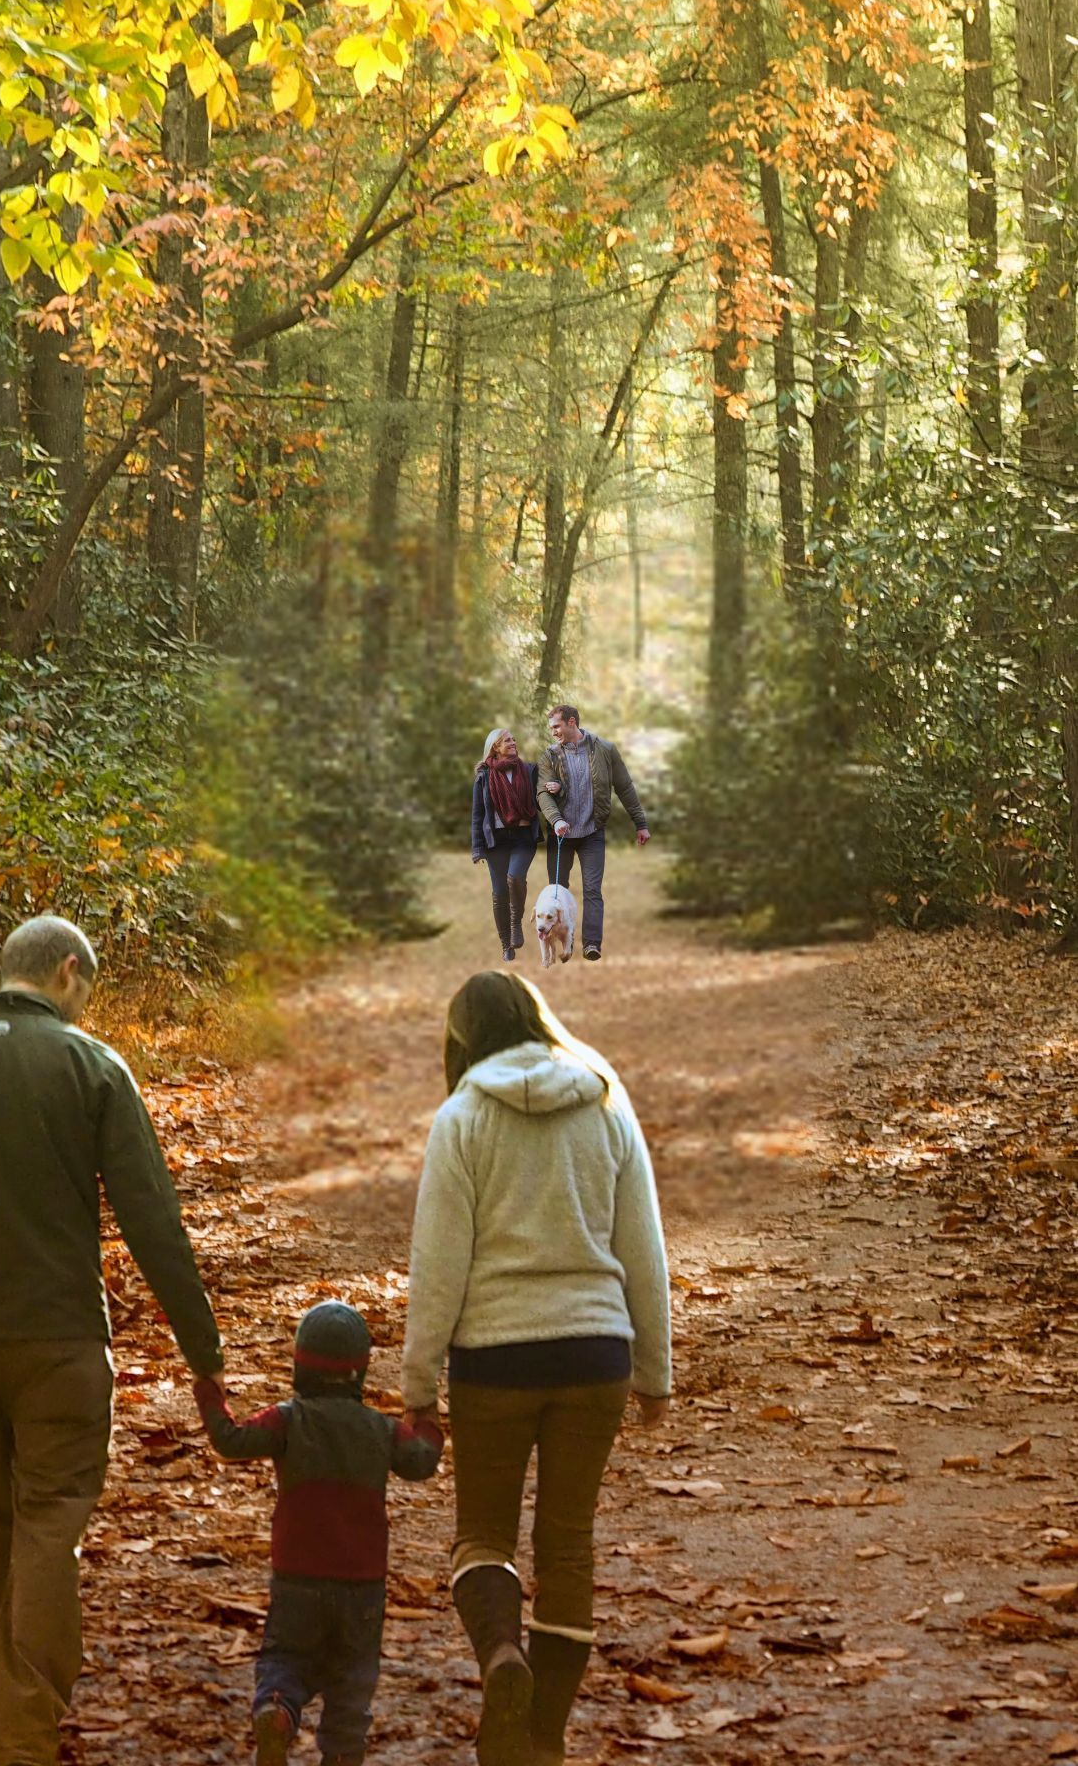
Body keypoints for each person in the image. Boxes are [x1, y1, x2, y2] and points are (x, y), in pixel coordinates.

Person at [0, 913, 225, 1766]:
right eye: (85, 994)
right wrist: (200, 1347)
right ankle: (20, 1738)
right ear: (67, 972)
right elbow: (152, 1221)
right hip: (60, 1344)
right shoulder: (92, 1066)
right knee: (48, 1531)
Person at [401, 971, 671, 1766]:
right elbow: (642, 1250)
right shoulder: (604, 1101)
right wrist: (654, 1372)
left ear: (462, 1039)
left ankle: (500, 1660)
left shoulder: (462, 1118)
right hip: (595, 1355)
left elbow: (437, 1263)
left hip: (493, 1360)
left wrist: (417, 1385)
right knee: (568, 1547)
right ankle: (542, 1736)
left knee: (482, 1534)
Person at [194, 1300, 443, 1766]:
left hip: (297, 1578)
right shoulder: (381, 1430)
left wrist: (210, 1393)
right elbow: (423, 1459)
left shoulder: (286, 1420)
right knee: (353, 1678)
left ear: (300, 1364)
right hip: (363, 1585)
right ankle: (344, 1753)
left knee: (285, 1656)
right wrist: (427, 1418)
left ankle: (277, 1710)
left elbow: (230, 1439)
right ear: (361, 1371)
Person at [534, 704, 649, 962]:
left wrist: (640, 823)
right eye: (551, 727)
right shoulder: (549, 756)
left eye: (556, 726)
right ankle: (558, 942)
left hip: (592, 832)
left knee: (592, 891)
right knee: (557, 890)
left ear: (572, 722)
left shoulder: (605, 750)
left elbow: (625, 787)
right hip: (560, 835)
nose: (553, 732)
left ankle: (592, 945)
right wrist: (556, 820)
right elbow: (542, 793)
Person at [471, 726, 541, 963]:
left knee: (515, 878)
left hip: (523, 837)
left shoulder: (530, 771)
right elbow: (477, 815)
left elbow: (544, 798)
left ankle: (515, 923)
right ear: (495, 748)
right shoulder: (484, 777)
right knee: (500, 893)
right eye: (507, 740)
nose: (513, 742)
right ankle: (505, 944)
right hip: (496, 842)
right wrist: (477, 848)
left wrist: (555, 789)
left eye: (513, 739)